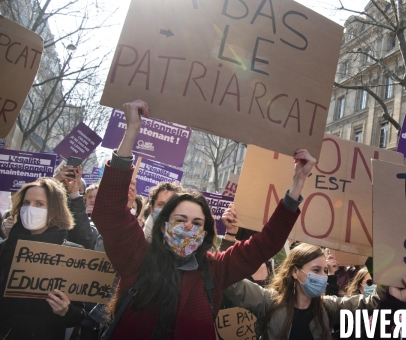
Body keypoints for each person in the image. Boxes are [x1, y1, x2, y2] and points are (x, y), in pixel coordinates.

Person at [91, 99, 316, 340]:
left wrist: (298, 182)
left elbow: (266, 243)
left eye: (197, 223)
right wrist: (132, 131)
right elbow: (110, 213)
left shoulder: (215, 271)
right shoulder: (137, 257)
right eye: (180, 219)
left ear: (206, 232)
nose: (188, 227)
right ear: (163, 224)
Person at [223, 243, 380, 340]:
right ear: (295, 272)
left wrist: (376, 257)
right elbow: (229, 281)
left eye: (325, 270)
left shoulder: (328, 307)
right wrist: (230, 236)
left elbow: (372, 302)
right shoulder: (269, 302)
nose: (323, 276)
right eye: (316, 270)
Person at [0, 178, 87, 339]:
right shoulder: (5, 248)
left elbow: (79, 314)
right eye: (26, 203)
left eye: (39, 204)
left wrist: (65, 311)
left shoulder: (71, 255)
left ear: (55, 209)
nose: (30, 209)